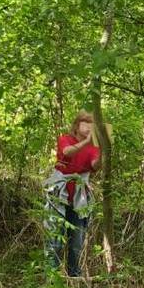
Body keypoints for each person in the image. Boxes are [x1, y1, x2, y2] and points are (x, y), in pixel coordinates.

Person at [44, 111, 102, 277]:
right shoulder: (65, 139)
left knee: (77, 240)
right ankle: (52, 277)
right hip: (59, 193)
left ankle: (74, 277)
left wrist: (105, 152)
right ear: (77, 125)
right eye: (86, 124)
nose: (89, 128)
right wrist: (86, 142)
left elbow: (95, 165)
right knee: (55, 238)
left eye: (92, 126)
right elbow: (67, 152)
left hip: (79, 196)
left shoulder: (93, 148)